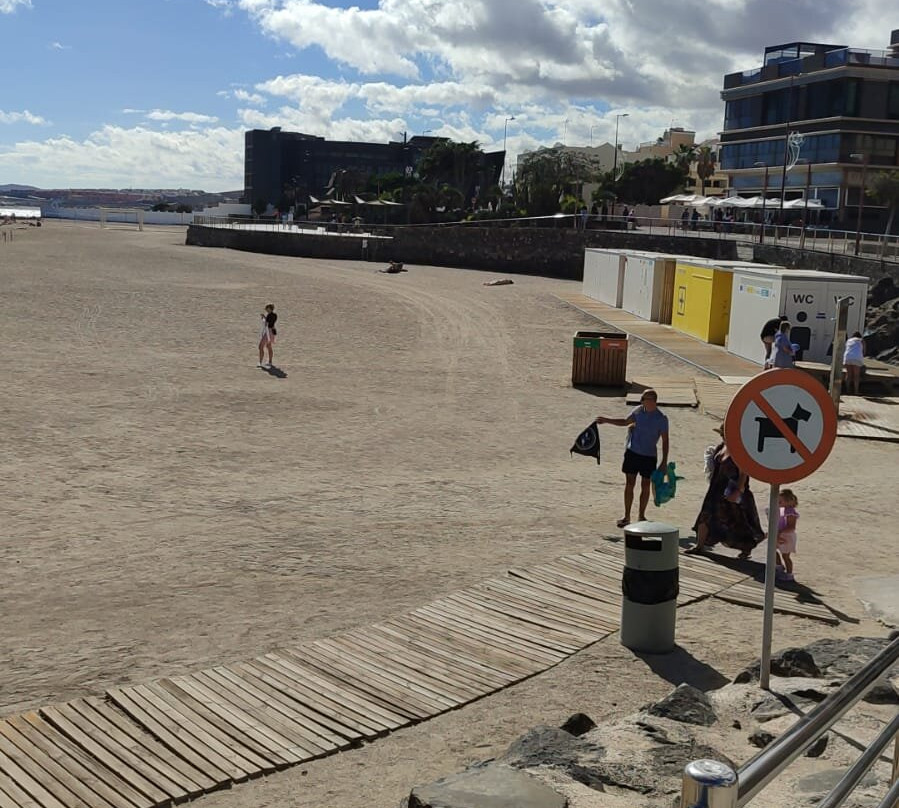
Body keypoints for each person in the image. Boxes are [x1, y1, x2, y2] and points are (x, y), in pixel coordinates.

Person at [595, 389, 669, 528]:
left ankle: (641, 515)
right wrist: (606, 420)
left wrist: (664, 461)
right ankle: (627, 516)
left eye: (645, 399)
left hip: (649, 456)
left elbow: (665, 441)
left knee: (645, 485)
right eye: (642, 399)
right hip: (633, 452)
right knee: (629, 483)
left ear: (653, 401)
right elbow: (625, 422)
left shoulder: (661, 418)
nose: (642, 401)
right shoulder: (638, 411)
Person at [688, 427, 764, 559]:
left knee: (738, 522)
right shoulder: (721, 447)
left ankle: (746, 549)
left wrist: (738, 491)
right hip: (716, 489)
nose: (723, 437)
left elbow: (743, 472)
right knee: (705, 515)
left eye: (725, 434)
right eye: (722, 434)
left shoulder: (739, 450)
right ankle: (699, 546)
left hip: (731, 491)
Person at [775, 489, 799, 582]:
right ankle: (779, 566)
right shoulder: (782, 509)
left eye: (780, 501)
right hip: (780, 534)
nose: (778, 503)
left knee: (786, 556)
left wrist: (780, 532)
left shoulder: (790, 512)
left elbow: (791, 527)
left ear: (788, 501)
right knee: (772, 550)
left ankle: (789, 574)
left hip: (787, 536)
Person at [843, 331, 865, 395]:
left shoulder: (848, 340)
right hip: (856, 358)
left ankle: (847, 390)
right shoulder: (862, 340)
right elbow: (863, 351)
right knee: (856, 376)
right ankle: (856, 391)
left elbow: (847, 348)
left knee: (848, 374)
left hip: (847, 357)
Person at [258, 303, 277, 368]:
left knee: (261, 346)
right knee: (269, 346)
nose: (266, 310)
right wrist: (265, 318)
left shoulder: (270, 315)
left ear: (270, 309)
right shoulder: (274, 315)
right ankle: (270, 362)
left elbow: (267, 323)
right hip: (271, 332)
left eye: (267, 309)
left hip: (268, 332)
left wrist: (264, 318)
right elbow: (269, 322)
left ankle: (260, 362)